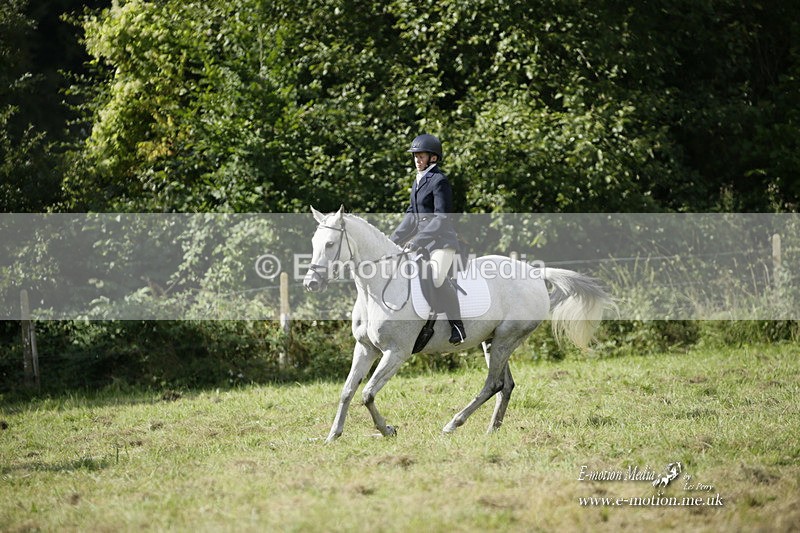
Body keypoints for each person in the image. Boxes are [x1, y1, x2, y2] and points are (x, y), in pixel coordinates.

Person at [390, 133, 466, 345]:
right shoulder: (417, 181)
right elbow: (410, 217)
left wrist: (419, 240)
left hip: (442, 243)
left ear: (433, 158)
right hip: (423, 242)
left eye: (421, 156)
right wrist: (390, 240)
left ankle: (457, 326)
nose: (417, 160)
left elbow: (442, 218)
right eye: (415, 156)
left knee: (435, 276)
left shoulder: (439, 180)